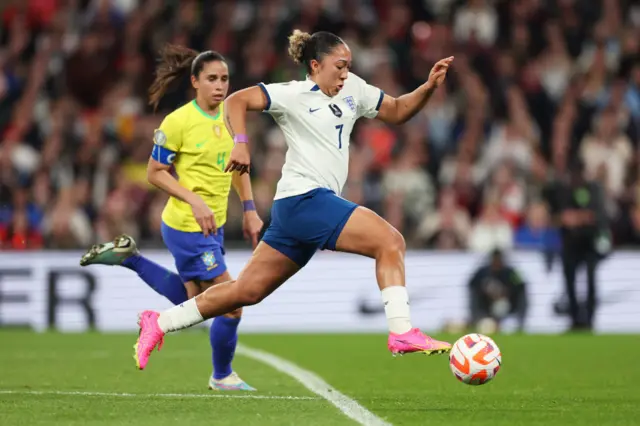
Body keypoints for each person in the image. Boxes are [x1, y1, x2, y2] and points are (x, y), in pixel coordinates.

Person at [133, 30, 454, 370]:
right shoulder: (292, 94)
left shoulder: (354, 89)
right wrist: (240, 141)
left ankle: (160, 322)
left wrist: (428, 88)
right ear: (315, 65)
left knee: (245, 291)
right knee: (390, 241)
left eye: (348, 66)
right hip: (306, 198)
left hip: (293, 209)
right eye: (339, 66)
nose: (345, 73)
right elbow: (235, 101)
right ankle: (401, 331)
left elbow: (398, 109)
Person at [80, 45, 263, 390]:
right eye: (211, 79)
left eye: (224, 78)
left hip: (215, 225)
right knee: (231, 302)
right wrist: (194, 200)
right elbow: (155, 172)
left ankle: (130, 258)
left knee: (194, 302)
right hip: (186, 226)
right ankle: (222, 375)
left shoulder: (231, 116)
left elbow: (238, 166)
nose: (220, 86)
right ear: (195, 82)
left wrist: (250, 209)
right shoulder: (178, 122)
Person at [468, 249, 528, 333]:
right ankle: (477, 321)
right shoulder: (482, 273)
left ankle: (518, 324)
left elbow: (521, 285)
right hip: (486, 304)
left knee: (504, 305)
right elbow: (471, 285)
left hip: (507, 303)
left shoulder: (510, 273)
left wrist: (507, 293)